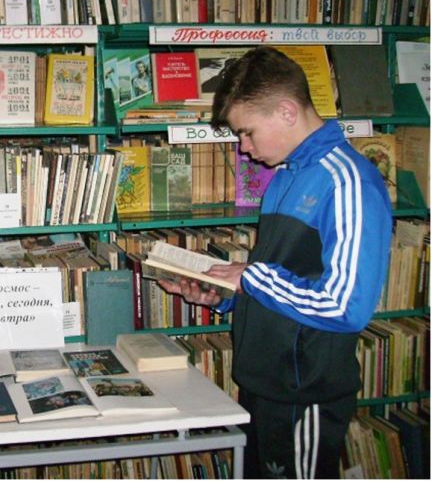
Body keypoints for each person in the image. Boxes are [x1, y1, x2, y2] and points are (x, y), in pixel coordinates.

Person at [159, 46, 392, 479]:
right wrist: (225, 295)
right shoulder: (285, 176)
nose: (244, 148)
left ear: (287, 111)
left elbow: (345, 307)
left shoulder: (348, 182)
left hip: (304, 393)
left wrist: (251, 279)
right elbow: (287, 272)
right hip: (264, 381)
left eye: (247, 132)